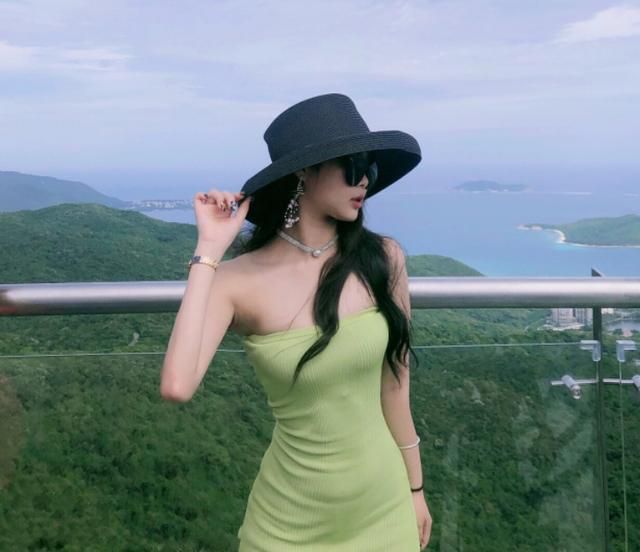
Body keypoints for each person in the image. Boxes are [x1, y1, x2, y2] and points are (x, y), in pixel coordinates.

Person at [161, 93, 433, 550]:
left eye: (370, 168)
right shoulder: (237, 281)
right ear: (305, 171)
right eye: (353, 165)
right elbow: (177, 385)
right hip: (288, 526)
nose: (364, 180)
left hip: (384, 508)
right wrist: (209, 249)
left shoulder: (383, 259)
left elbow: (395, 386)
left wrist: (415, 489)